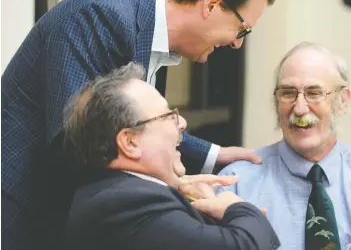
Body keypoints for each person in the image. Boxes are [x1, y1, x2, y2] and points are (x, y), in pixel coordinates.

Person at [1, 0, 275, 250]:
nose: (238, 43)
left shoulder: (150, 33)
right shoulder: (98, 16)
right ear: (212, 4)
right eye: (242, 29)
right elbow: (77, 143)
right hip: (19, 212)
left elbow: (135, 128)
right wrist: (172, 186)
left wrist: (213, 155)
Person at [62, 62, 280, 250]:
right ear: (130, 142)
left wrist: (186, 194)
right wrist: (237, 208)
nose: (182, 123)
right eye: (168, 116)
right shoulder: (129, 203)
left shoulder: (119, 193)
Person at [217, 42, 351, 250]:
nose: (299, 108)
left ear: (342, 100)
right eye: (288, 93)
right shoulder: (235, 184)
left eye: (314, 93)